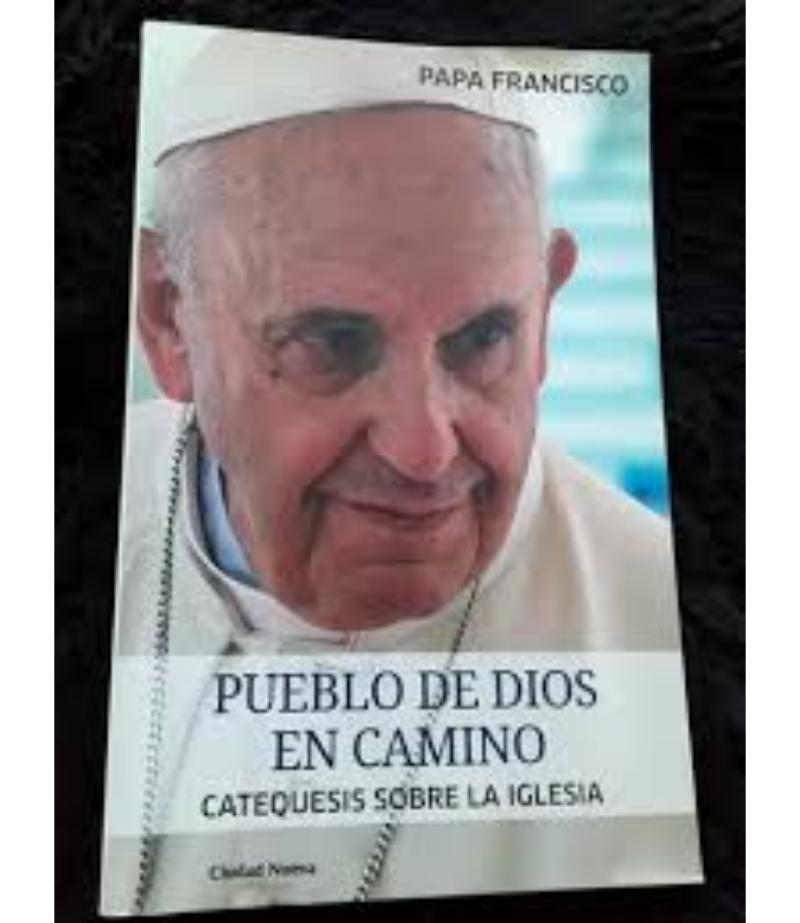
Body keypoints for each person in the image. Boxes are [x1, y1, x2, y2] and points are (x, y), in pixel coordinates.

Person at [101, 29, 694, 916]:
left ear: (546, 308)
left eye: (483, 337)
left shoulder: (678, 625)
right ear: (168, 318)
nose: (425, 452)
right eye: (332, 342)